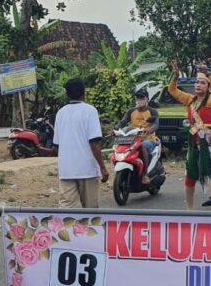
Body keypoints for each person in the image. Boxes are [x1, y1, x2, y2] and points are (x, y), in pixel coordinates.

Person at [167, 63, 211, 210]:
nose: (198, 85)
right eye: (197, 82)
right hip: (194, 143)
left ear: (208, 86)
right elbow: (172, 90)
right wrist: (175, 76)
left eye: (202, 83)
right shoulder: (190, 100)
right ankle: (189, 210)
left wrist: (209, 74)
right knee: (190, 177)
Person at [53, 78, 108, 208]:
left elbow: (56, 145)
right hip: (87, 170)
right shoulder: (90, 111)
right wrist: (103, 167)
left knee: (66, 212)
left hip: (67, 171)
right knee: (90, 211)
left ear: (67, 95)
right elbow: (94, 143)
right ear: (84, 93)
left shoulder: (61, 113)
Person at [118, 87, 159, 177]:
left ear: (147, 99)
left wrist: (149, 130)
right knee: (120, 145)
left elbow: (156, 124)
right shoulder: (131, 111)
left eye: (142, 98)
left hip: (148, 139)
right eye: (138, 99)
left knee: (142, 146)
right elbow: (122, 122)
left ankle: (145, 174)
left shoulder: (152, 111)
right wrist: (115, 129)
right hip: (133, 138)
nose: (139, 101)